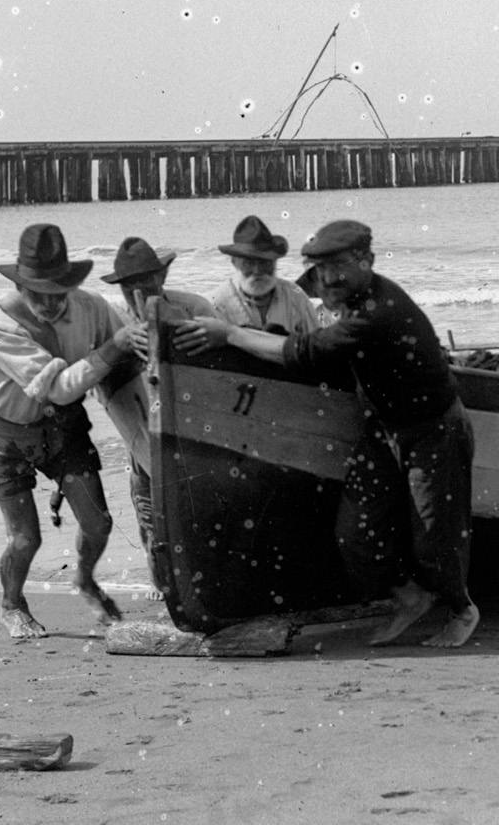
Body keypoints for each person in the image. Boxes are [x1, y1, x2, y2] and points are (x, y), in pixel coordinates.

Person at [188, 219, 479, 648]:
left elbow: (305, 352)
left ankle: (461, 608)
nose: (326, 279)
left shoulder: (377, 312)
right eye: (318, 269)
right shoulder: (348, 290)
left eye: (337, 266)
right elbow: (308, 304)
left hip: (433, 429)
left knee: (434, 535)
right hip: (383, 429)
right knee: (355, 534)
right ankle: (409, 597)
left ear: (368, 261)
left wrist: (231, 333)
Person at [0, 222, 144, 640]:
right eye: (35, 293)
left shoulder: (91, 307)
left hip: (61, 428)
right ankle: (12, 604)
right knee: (26, 538)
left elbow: (126, 352)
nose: (47, 302)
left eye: (56, 292)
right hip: (1, 433)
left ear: (69, 282)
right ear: (19, 286)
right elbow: (62, 388)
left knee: (98, 523)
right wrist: (113, 346)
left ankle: (84, 579)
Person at [98, 236, 213, 566]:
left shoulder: (195, 307)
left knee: (201, 518)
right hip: (145, 441)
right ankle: (163, 580)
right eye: (129, 286)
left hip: (198, 436)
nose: (138, 292)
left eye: (146, 282)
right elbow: (100, 378)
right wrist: (122, 344)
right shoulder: (116, 321)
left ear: (162, 277)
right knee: (153, 522)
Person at [174, 214, 319, 347]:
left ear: (275, 262)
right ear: (234, 263)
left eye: (264, 262)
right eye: (248, 263)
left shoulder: (296, 297)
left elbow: (316, 349)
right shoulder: (213, 303)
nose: (257, 271)